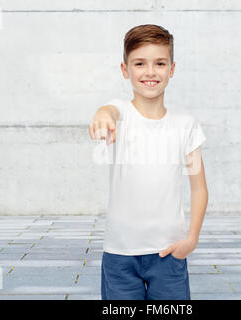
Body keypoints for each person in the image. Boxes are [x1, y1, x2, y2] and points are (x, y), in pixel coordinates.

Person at [88, 24, 208, 300]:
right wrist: (102, 116)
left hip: (169, 253)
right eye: (140, 63)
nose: (150, 72)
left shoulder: (185, 125)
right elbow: (108, 110)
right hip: (120, 255)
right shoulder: (119, 114)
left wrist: (191, 240)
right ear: (125, 69)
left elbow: (199, 188)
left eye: (160, 63)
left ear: (172, 69)